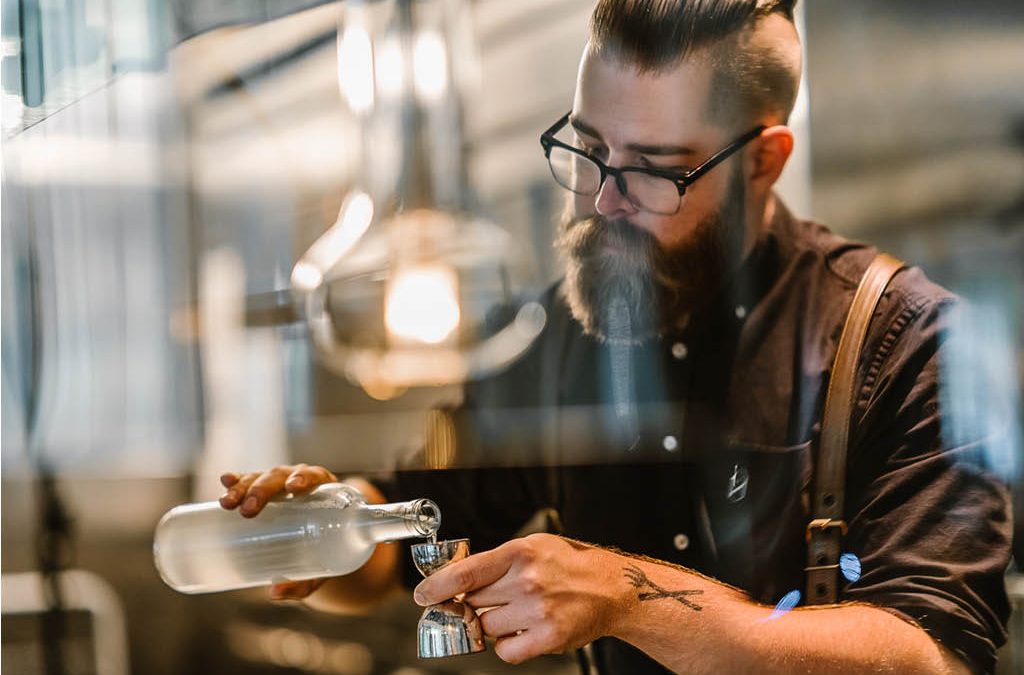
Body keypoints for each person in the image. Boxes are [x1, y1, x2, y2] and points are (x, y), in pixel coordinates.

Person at [218, 1, 1011, 673]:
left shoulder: (905, 338)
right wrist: (332, 526)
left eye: (654, 170)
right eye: (589, 149)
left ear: (764, 162)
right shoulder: (565, 329)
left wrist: (631, 597)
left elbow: (933, 653)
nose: (601, 202)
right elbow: (417, 524)